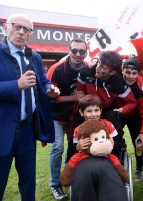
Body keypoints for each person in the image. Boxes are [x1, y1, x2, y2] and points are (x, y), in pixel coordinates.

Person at [0, 13, 60, 200]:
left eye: (26, 29)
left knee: (28, 179)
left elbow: (42, 80)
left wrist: (50, 89)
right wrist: (15, 85)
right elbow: (19, 84)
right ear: (5, 27)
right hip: (2, 128)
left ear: (30, 34)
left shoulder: (34, 56)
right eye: (16, 26)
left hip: (27, 127)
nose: (21, 32)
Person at [46, 38, 88, 201]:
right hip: (56, 113)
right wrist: (72, 98)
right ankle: (55, 184)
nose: (78, 54)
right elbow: (48, 98)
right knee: (57, 146)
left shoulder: (86, 68)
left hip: (75, 114)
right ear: (68, 51)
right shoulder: (57, 69)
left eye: (82, 51)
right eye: (74, 50)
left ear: (85, 53)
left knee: (73, 145)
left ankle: (67, 175)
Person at [77, 50, 138, 156]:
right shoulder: (85, 71)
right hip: (88, 107)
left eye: (103, 67)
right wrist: (87, 108)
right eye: (99, 62)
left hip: (107, 110)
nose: (97, 67)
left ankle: (114, 159)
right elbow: (80, 92)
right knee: (76, 132)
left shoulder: (118, 83)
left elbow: (133, 103)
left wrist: (120, 110)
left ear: (112, 72)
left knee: (115, 133)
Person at [71, 94, 127, 201]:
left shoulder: (108, 125)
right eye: (89, 111)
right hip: (85, 161)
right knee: (83, 182)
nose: (93, 114)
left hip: (107, 159)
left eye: (96, 110)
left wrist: (112, 143)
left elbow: (120, 144)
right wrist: (78, 146)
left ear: (101, 110)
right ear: (81, 113)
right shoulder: (78, 130)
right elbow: (73, 150)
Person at [121, 58, 143, 189]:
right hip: (119, 113)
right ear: (122, 70)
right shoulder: (116, 79)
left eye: (134, 73)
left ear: (139, 74)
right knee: (114, 140)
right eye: (127, 72)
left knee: (140, 143)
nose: (130, 76)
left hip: (136, 115)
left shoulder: (142, 87)